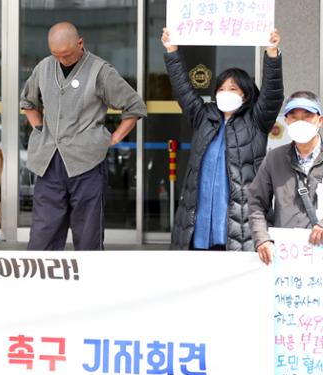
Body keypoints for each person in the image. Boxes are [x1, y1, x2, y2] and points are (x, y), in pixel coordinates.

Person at [20, 22, 146, 250]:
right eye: (56, 55)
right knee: (42, 235)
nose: (61, 61)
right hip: (48, 163)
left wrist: (114, 138)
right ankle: (40, 284)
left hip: (87, 164)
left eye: (66, 55)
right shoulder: (44, 67)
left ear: (80, 43)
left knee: (88, 235)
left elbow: (135, 106)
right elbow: (28, 102)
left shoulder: (100, 71)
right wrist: (39, 128)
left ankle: (89, 282)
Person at [161, 28, 284, 251]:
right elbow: (183, 90)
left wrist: (272, 53)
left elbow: (272, 94)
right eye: (221, 88)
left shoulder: (256, 120)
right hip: (196, 223)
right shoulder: (203, 116)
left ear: (245, 94)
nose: (225, 92)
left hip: (240, 225)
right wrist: (172, 52)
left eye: (233, 88)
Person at [249, 92, 323, 264]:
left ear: (320, 121)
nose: (300, 122)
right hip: (287, 256)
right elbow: (256, 202)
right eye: (294, 117)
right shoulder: (274, 158)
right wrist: (262, 238)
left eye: (307, 117)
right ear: (287, 121)